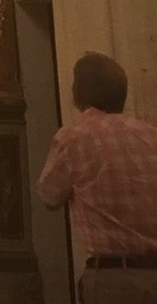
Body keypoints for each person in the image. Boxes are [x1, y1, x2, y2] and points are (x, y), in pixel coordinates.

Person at [37, 52, 157, 303]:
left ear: (78, 92)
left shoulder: (73, 137)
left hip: (113, 279)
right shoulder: (151, 135)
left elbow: (49, 196)